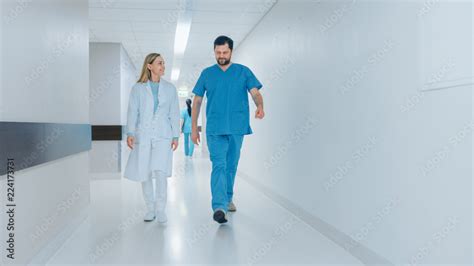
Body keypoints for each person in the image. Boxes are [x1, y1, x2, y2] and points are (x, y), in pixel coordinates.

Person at [191, 36, 265, 224]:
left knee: (231, 165)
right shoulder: (207, 73)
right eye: (218, 52)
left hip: (237, 127)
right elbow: (197, 101)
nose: (221, 56)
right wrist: (193, 129)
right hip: (215, 129)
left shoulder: (243, 71)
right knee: (219, 165)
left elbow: (255, 92)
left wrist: (260, 106)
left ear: (231, 51)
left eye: (224, 52)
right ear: (214, 51)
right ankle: (219, 207)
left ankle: (228, 198)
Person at [124, 53, 180, 223]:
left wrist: (176, 135)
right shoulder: (138, 88)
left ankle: (161, 209)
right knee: (145, 172)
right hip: (144, 135)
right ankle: (150, 208)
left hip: (163, 136)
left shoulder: (170, 88)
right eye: (159, 63)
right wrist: (130, 132)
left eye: (163, 63)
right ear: (149, 66)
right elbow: (133, 111)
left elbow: (174, 113)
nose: (163, 66)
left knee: (160, 172)